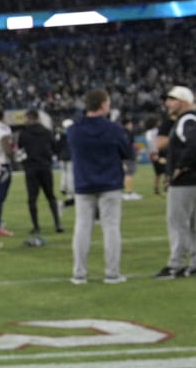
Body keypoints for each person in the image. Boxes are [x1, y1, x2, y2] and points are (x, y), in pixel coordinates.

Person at [66, 90, 133, 285]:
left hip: (84, 183)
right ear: (103, 104)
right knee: (111, 227)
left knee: (82, 228)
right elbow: (127, 152)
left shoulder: (74, 130)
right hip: (110, 182)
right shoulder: (114, 128)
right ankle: (112, 273)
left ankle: (79, 273)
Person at [154, 86, 196, 278]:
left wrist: (179, 168)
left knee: (178, 222)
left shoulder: (187, 120)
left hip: (187, 180)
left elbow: (194, 144)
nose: (167, 103)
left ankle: (176, 264)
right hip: (195, 178)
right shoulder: (191, 119)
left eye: (172, 99)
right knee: (194, 223)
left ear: (184, 101)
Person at [14, 108, 61, 237]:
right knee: (51, 196)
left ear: (30, 118)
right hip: (45, 166)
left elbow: (20, 149)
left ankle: (36, 227)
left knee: (32, 199)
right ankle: (57, 224)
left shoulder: (24, 133)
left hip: (31, 168)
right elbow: (54, 147)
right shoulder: (47, 132)